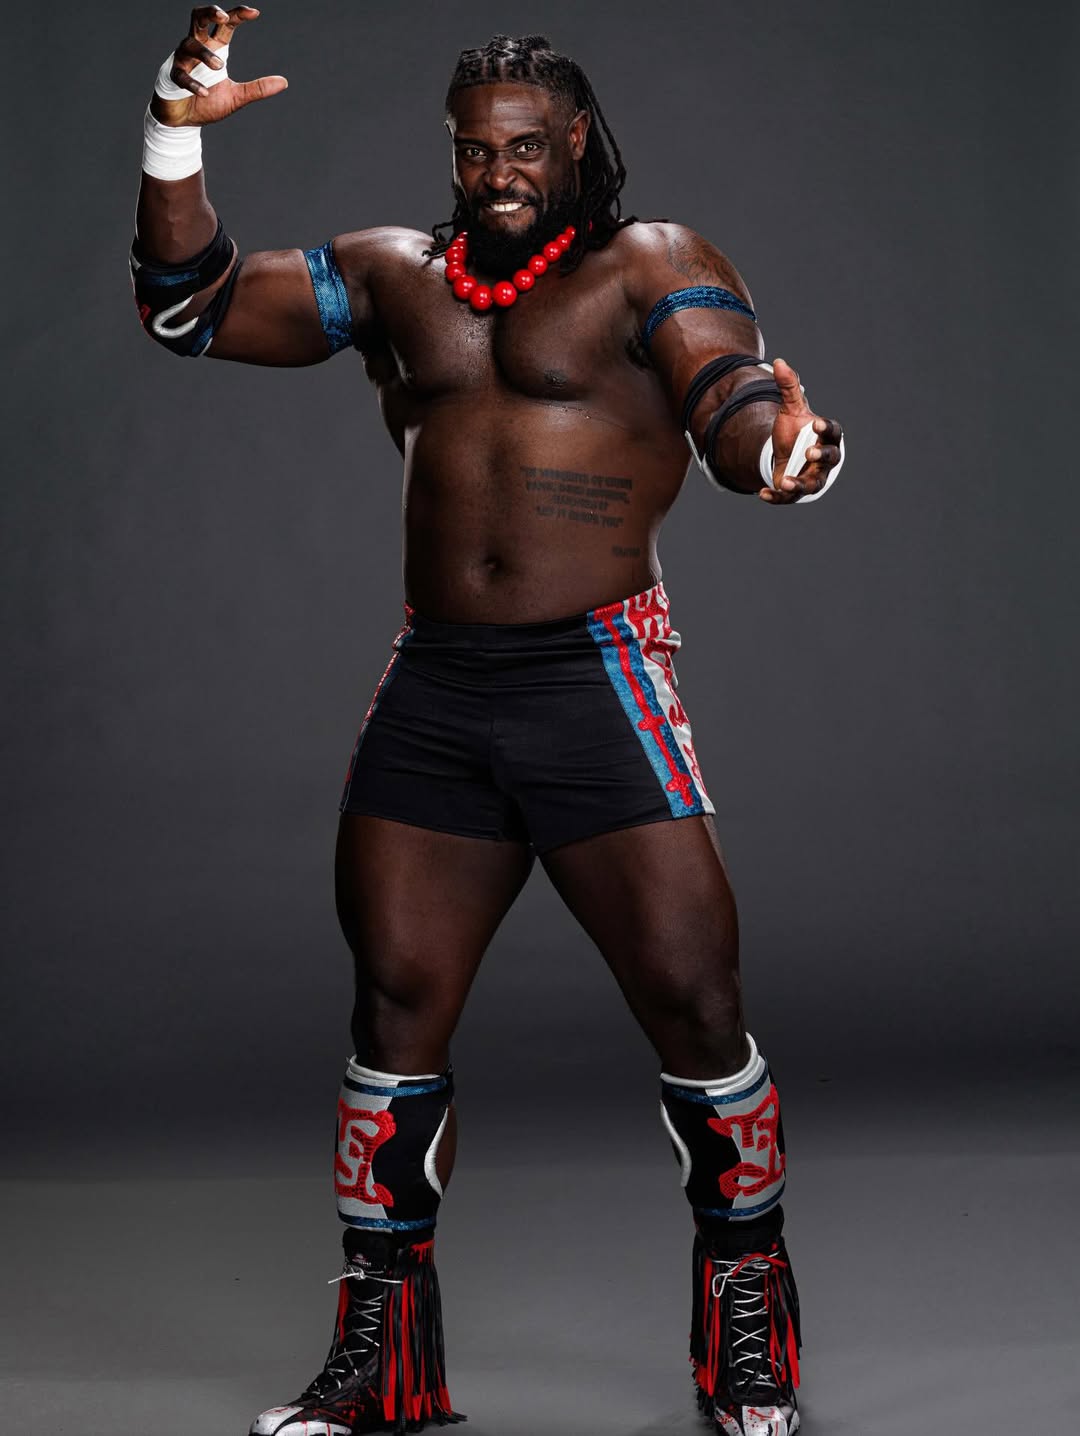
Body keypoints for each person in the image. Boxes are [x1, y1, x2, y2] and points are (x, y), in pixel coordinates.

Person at [131, 9, 846, 1435]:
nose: (499, 170)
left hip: (600, 679)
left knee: (698, 1007)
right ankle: (380, 1366)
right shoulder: (400, 278)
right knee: (394, 1009)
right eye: (476, 149)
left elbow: (733, 399)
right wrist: (171, 137)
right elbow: (186, 307)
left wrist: (788, 452)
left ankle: (749, 1321)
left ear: (577, 142)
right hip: (441, 688)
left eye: (524, 146)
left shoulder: (653, 264)